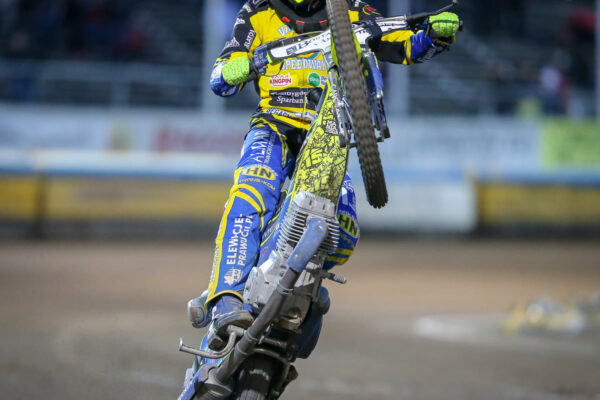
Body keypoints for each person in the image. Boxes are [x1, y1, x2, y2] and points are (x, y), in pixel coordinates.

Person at [189, 0, 460, 356]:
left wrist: (436, 36)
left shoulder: (350, 9)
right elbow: (219, 80)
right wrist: (233, 69)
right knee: (251, 193)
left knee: (343, 228)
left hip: (330, 131)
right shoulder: (257, 11)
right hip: (273, 124)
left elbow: (403, 46)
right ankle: (226, 298)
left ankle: (291, 285)